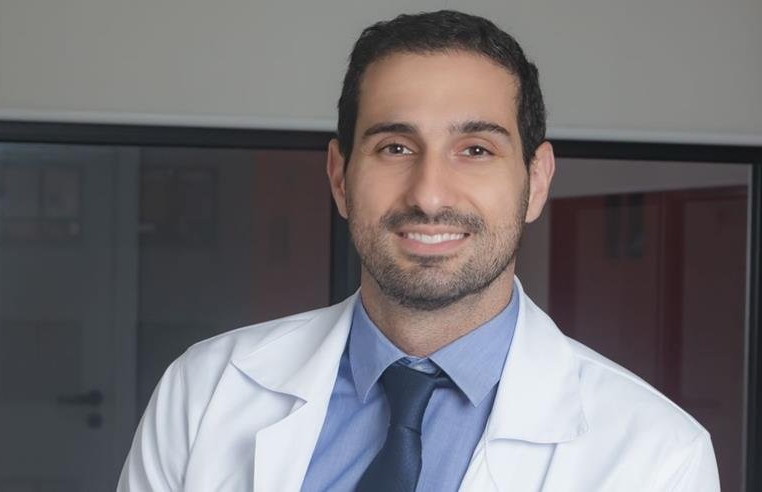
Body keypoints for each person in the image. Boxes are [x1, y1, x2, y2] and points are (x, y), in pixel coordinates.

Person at [118, 10, 719, 492]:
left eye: (476, 150)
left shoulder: (658, 456)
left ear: (536, 181)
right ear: (339, 177)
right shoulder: (206, 390)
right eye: (395, 148)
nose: (429, 195)